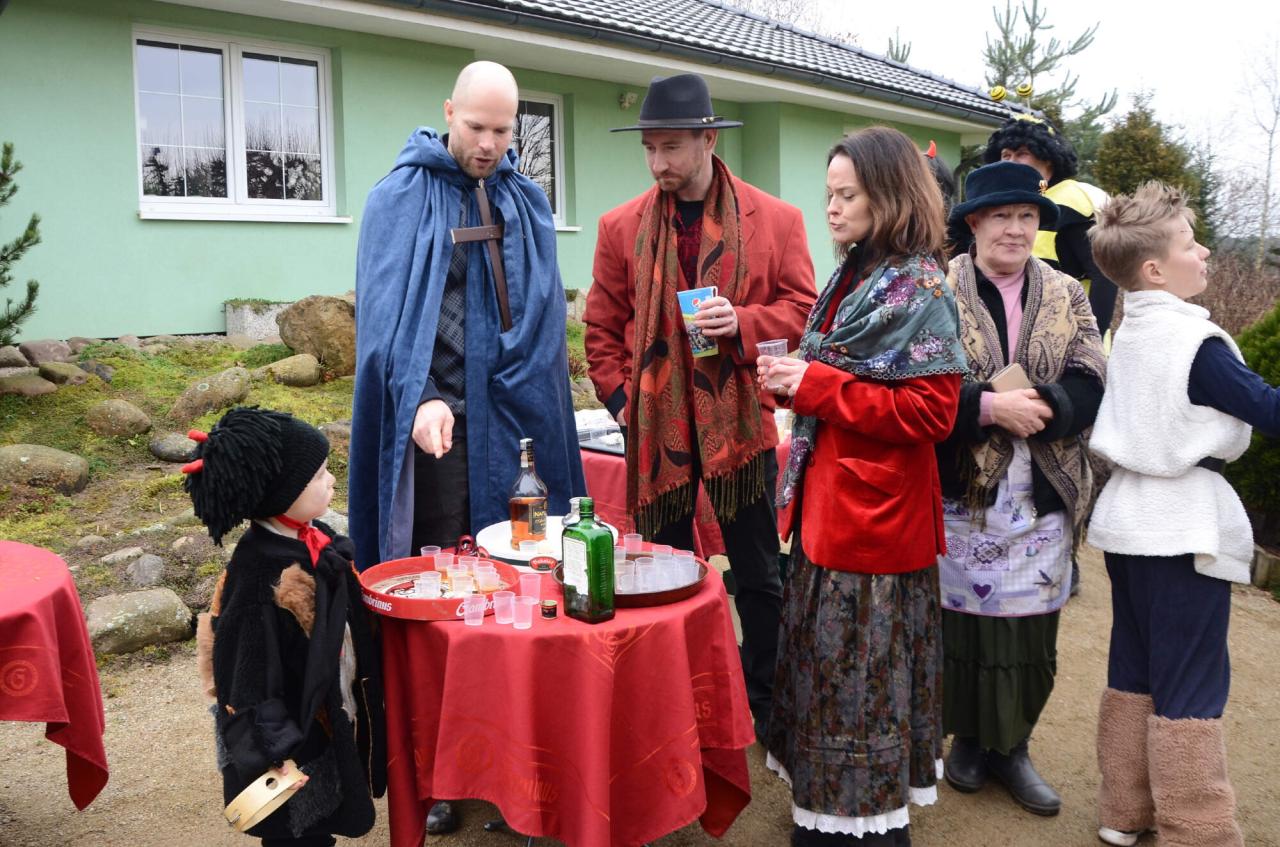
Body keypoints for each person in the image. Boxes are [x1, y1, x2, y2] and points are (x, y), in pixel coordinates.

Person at [348, 60, 585, 833]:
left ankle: (520, 759)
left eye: (502, 130)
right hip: (439, 431)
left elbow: (544, 322)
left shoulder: (526, 200)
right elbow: (384, 319)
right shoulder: (399, 198)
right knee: (445, 596)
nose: (488, 143)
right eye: (476, 126)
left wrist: (524, 397)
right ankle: (442, 767)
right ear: (449, 111)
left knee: (522, 583)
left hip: (515, 425)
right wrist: (417, 396)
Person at [584, 73, 816, 734]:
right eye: (649, 148)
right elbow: (601, 328)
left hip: (741, 429)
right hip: (656, 435)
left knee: (759, 574)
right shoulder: (619, 227)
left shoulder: (777, 220)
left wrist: (743, 323)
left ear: (709, 140)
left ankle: (766, 702)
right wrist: (623, 403)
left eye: (671, 147)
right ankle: (674, 701)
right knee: (661, 571)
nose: (657, 162)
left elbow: (802, 314)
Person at [757, 125, 968, 846]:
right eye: (829, 194)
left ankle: (870, 829)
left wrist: (815, 385)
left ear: (889, 195)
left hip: (876, 526)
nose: (832, 208)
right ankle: (826, 817)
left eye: (847, 195)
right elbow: (847, 375)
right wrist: (795, 382)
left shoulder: (921, 286)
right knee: (829, 678)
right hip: (833, 509)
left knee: (861, 682)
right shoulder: (856, 272)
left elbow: (933, 413)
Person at [1085, 182, 1274, 847]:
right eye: (1191, 243)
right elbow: (1268, 409)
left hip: (1129, 521)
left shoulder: (1132, 329)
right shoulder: (1196, 343)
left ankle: (1124, 808)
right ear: (1155, 269)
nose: (1205, 252)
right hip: (1181, 521)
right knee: (1192, 677)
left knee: (1134, 667)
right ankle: (1197, 829)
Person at [935, 161, 1106, 817]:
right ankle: (968, 740)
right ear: (975, 222)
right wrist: (986, 407)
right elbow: (918, 382)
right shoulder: (937, 288)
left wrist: (1048, 405)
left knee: (1030, 628)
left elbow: (1092, 372)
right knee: (964, 623)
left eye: (1026, 216)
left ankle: (1014, 747)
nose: (1015, 228)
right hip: (964, 489)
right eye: (1001, 216)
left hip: (1042, 485)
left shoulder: (1066, 291)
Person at [189, 407, 386, 847]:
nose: (331, 480)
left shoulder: (310, 536)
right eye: (317, 475)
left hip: (324, 707)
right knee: (297, 827)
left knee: (325, 809)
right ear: (280, 492)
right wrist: (271, 751)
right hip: (292, 734)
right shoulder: (259, 576)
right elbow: (245, 674)